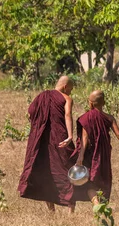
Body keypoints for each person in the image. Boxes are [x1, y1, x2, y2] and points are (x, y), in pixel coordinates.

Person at [18, 76, 76, 213]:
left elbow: (31, 112)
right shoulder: (67, 98)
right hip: (60, 138)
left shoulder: (42, 96)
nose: (71, 93)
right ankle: (71, 211)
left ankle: (51, 210)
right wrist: (70, 135)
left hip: (42, 141)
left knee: (46, 171)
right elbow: (68, 115)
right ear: (65, 87)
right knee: (67, 170)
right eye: (71, 90)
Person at [73, 90, 119, 205]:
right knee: (103, 177)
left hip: (90, 154)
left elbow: (84, 138)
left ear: (90, 103)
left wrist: (80, 156)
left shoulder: (86, 118)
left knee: (90, 181)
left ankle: (97, 205)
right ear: (104, 103)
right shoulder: (109, 118)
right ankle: (101, 205)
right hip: (104, 153)